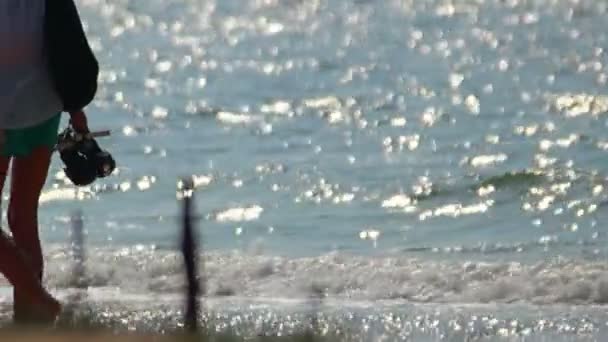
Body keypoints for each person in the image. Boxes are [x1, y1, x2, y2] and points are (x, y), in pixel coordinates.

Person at [0, 0, 93, 323]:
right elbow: (68, 48)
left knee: (21, 216)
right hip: (44, 112)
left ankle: (38, 300)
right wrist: (76, 109)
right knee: (22, 217)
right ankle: (29, 324)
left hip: (6, 114)